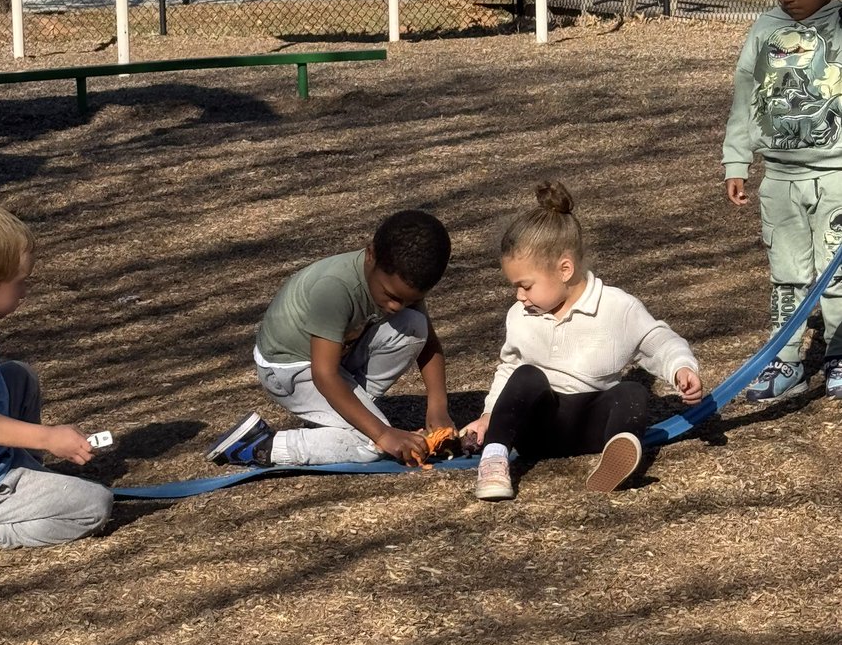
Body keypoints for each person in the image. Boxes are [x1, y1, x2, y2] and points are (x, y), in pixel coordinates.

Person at [464, 182, 702, 501]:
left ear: (564, 269)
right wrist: (490, 415)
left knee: (632, 392)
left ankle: (618, 453)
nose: (519, 296)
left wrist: (681, 368)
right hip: (537, 430)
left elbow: (658, 341)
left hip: (592, 428)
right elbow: (508, 372)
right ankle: (494, 460)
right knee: (526, 375)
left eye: (526, 285)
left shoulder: (616, 307)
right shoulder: (520, 315)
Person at [207, 209, 454, 468]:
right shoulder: (335, 288)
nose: (396, 307)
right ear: (371, 255)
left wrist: (437, 406)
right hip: (288, 369)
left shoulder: (398, 279)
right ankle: (260, 446)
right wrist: (382, 433)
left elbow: (429, 344)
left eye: (410, 300)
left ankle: (336, 416)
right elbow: (324, 375)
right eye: (391, 295)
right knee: (370, 444)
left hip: (334, 359)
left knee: (414, 326)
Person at [0, 201, 112, 552]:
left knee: (17, 376)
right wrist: (47, 437)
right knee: (93, 505)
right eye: (20, 283)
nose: (25, 293)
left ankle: (27, 473)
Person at [723, 0, 842, 401]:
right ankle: (787, 360)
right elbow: (744, 97)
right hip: (780, 181)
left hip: (836, 177)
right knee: (787, 276)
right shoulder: (765, 30)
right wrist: (737, 160)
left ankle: (838, 354)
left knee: (838, 276)